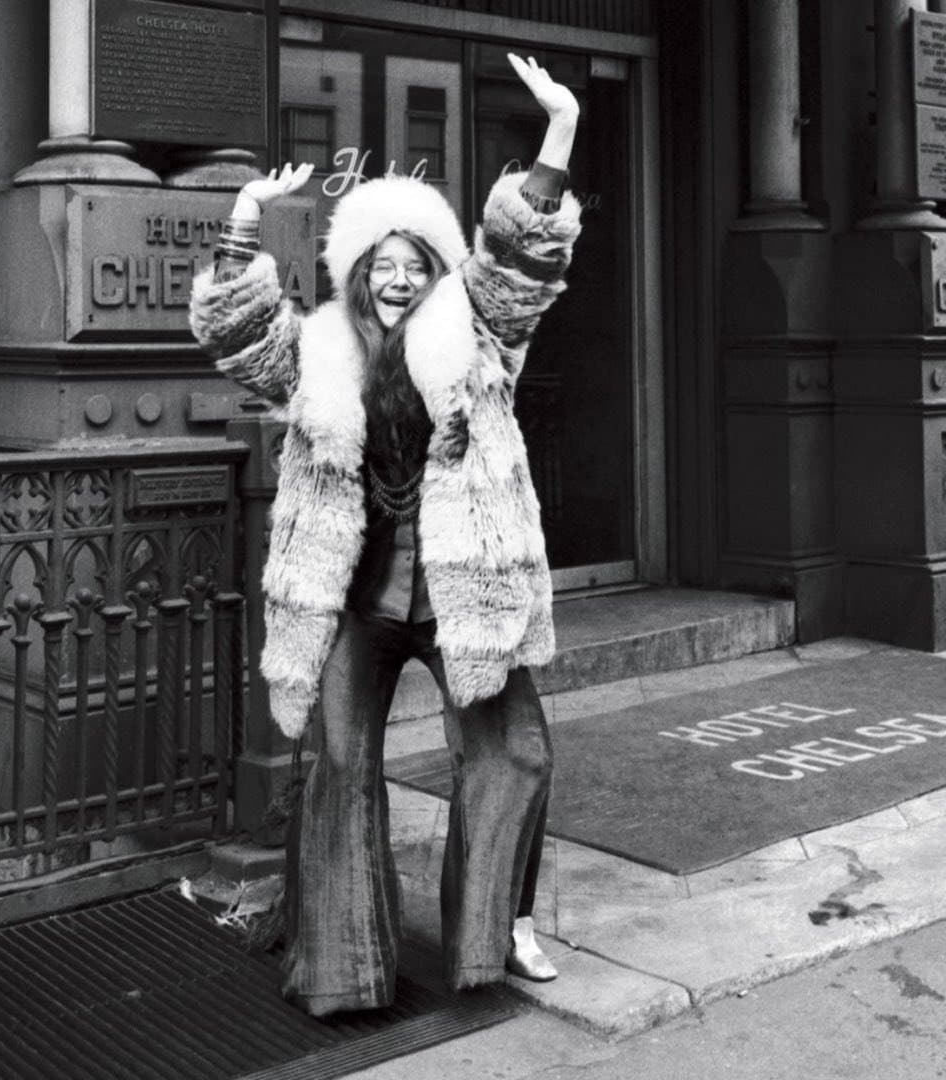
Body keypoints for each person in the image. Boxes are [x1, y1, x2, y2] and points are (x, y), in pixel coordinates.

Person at [189, 53, 581, 1016]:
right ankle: (345, 965)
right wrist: (243, 219)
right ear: (360, 277)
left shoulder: (479, 332)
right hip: (358, 601)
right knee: (333, 763)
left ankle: (492, 931)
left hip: (460, 596)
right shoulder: (319, 349)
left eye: (417, 268)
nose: (401, 281)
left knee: (515, 752)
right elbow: (235, 332)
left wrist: (561, 126)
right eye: (385, 268)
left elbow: (525, 254)